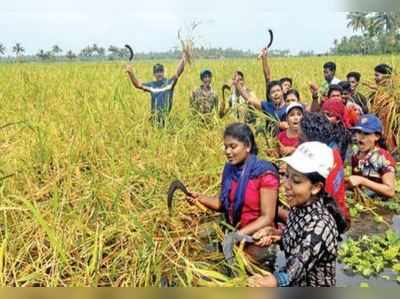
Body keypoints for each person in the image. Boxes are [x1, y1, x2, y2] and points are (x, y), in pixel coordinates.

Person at [248, 142, 347, 287]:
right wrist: (277, 236)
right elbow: (298, 238)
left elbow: (297, 265)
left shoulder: (321, 225)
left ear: (315, 187)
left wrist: (270, 282)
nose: (286, 185)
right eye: (286, 176)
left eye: (296, 181)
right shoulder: (298, 208)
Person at [186, 123, 279, 241]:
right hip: (234, 230)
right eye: (226, 147)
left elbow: (267, 217)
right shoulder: (230, 169)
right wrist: (200, 198)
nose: (228, 151)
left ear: (248, 146)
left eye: (233, 146)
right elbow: (222, 204)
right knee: (195, 237)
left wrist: (236, 236)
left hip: (258, 236)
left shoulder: (264, 173)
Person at [299, 112, 351, 228]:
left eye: (301, 139)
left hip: (325, 220)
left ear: (309, 139)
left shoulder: (317, 160)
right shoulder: (333, 152)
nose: (299, 142)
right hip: (339, 212)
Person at [126, 53, 187, 127]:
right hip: (154, 120)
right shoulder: (152, 85)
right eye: (157, 72)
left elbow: (178, 72)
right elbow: (138, 85)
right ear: (154, 74)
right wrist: (131, 73)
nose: (159, 74)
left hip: (166, 119)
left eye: (161, 71)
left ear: (163, 72)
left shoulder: (169, 83)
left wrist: (184, 57)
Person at [348, 114, 396, 199]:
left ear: (377, 136)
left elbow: (390, 191)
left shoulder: (383, 157)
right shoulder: (356, 154)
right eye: (358, 132)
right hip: (362, 201)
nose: (361, 137)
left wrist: (362, 181)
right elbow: (355, 182)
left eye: (366, 133)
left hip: (380, 205)